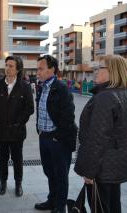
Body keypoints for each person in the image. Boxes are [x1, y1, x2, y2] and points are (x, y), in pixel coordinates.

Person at [74, 55, 127, 213]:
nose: (95, 72)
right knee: (113, 204)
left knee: (100, 207)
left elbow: (97, 139)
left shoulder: (105, 97)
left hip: (102, 167)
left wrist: (89, 172)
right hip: (116, 164)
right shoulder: (126, 95)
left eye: (99, 68)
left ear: (113, 72)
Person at [34, 55, 77, 213]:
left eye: (41, 68)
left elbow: (68, 117)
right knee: (49, 172)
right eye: (37, 68)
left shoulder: (61, 88)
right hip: (44, 137)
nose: (37, 72)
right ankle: (52, 201)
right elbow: (41, 111)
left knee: (60, 175)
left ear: (52, 69)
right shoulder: (41, 87)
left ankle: (60, 207)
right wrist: (39, 129)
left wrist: (57, 136)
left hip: (58, 139)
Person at [0, 56, 34, 197]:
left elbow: (29, 108)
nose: (7, 68)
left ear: (18, 69)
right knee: (2, 158)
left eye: (11, 66)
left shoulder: (25, 87)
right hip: (0, 131)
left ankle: (18, 184)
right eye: (6, 65)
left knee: (17, 159)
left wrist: (18, 123)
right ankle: (3, 183)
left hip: (17, 132)